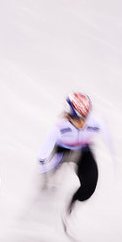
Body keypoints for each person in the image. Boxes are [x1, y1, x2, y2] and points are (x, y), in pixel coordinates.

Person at [37, 92, 115, 231]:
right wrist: (43, 165)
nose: (81, 123)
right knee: (50, 180)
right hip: (63, 150)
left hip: (84, 150)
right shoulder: (60, 127)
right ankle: (46, 192)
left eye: (84, 118)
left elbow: (106, 133)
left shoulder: (95, 122)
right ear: (68, 114)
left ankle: (69, 207)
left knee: (89, 186)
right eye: (77, 118)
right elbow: (45, 148)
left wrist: (112, 151)